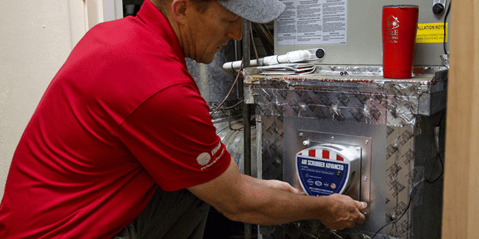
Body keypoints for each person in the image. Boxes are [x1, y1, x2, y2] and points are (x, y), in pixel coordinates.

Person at [0, 0, 367, 238]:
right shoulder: (161, 88)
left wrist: (261, 189)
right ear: (181, 8)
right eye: (229, 19)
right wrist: (324, 208)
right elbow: (237, 202)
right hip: (66, 233)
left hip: (41, 221)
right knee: (205, 194)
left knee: (199, 185)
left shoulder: (115, 36)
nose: (236, 34)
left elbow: (227, 185)